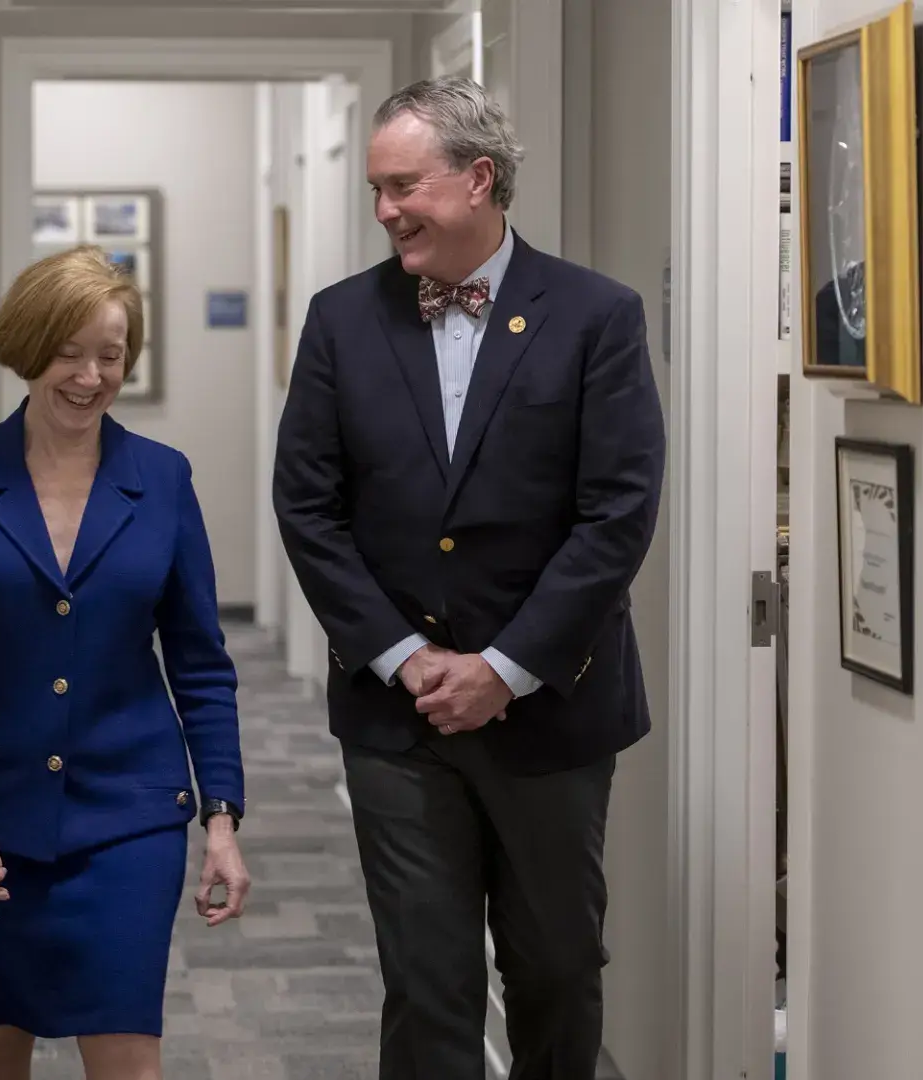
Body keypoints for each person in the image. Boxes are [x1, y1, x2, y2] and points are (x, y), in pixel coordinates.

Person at [272, 76, 666, 1079]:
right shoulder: (339, 322)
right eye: (375, 190)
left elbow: (615, 513)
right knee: (426, 981)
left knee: (558, 972)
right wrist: (406, 659)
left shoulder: (596, 316)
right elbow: (307, 509)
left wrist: (504, 666)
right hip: (396, 720)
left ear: (478, 179)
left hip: (552, 711)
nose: (384, 211)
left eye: (403, 185)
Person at [0, 245, 251, 1080]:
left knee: (128, 1050)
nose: (90, 375)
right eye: (69, 350)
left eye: (112, 353)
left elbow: (201, 662)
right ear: (29, 345)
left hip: (128, 815)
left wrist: (223, 819)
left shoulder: (162, 481)